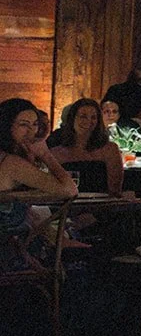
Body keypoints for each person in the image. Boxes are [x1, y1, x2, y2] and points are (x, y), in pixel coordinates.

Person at [1, 99, 79, 274]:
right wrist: (45, 154)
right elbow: (70, 190)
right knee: (80, 264)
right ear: (7, 126)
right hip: (12, 249)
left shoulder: (10, 158)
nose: (31, 131)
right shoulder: (12, 163)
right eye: (23, 124)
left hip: (16, 241)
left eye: (35, 124)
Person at [47, 98, 124, 195]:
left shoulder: (110, 150)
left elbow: (115, 190)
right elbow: (53, 189)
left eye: (93, 117)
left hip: (100, 205)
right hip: (67, 205)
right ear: (72, 118)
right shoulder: (57, 152)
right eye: (83, 116)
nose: (88, 121)